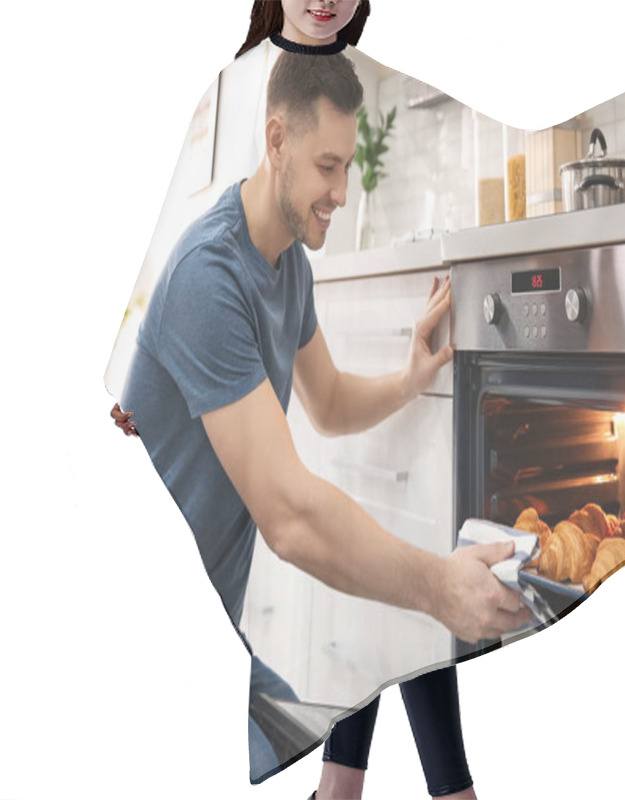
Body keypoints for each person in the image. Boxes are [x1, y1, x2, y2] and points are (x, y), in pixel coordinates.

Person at [112, 30, 532, 789]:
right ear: (277, 141)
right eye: (327, 167)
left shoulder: (287, 266)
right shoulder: (210, 273)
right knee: (376, 594)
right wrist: (441, 588)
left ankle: (341, 789)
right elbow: (291, 520)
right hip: (139, 648)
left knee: (369, 622)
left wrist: (408, 378)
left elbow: (330, 402)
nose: (342, 190)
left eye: (346, 166)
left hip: (211, 638)